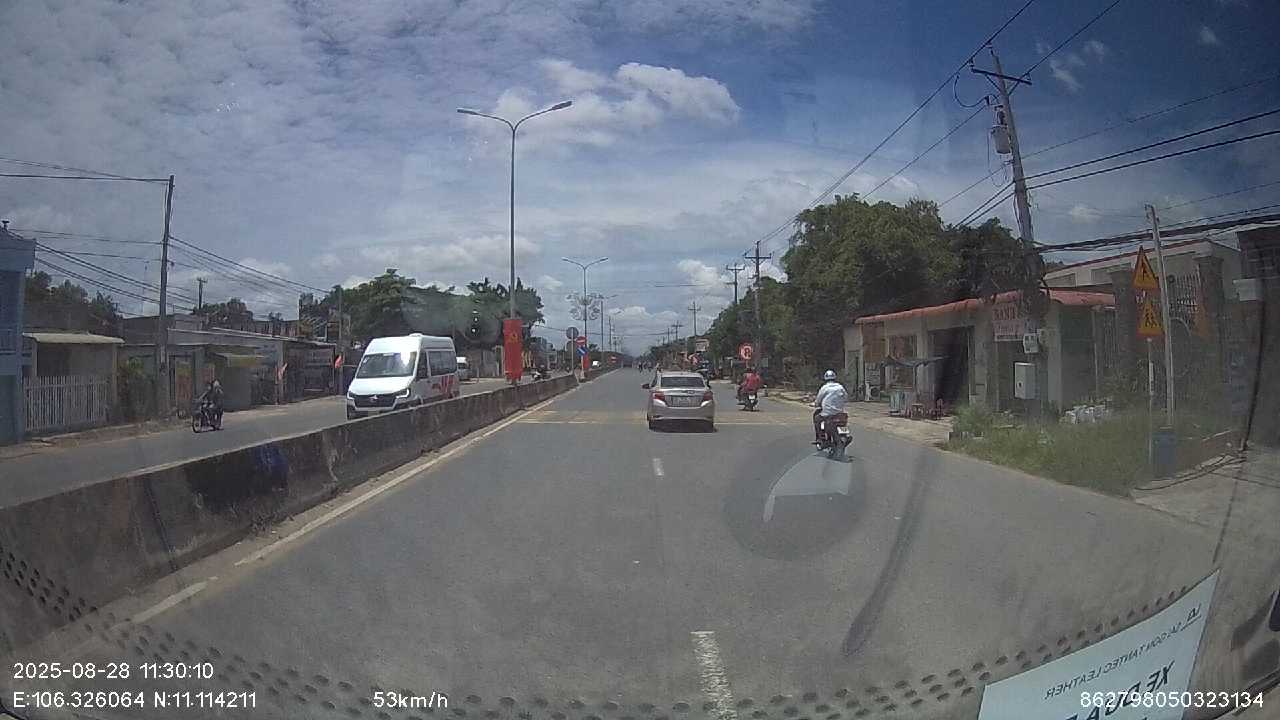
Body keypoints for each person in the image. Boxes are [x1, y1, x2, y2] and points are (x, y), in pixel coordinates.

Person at [813, 369, 847, 443]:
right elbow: (845, 397)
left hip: (827, 413)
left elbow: (818, 399)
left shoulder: (824, 388)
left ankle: (821, 438)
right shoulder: (840, 387)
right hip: (840, 412)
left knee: (817, 418)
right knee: (843, 422)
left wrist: (816, 404)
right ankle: (844, 435)